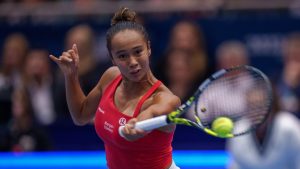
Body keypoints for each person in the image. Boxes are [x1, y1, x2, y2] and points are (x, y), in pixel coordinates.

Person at [50, 7, 181, 169]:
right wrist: (70, 75)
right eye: (122, 56)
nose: (132, 62)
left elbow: (151, 113)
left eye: (138, 51)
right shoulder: (110, 77)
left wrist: (138, 125)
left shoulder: (166, 99)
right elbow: (81, 116)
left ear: (149, 48)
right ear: (112, 58)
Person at [226, 88, 300, 169]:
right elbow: (235, 165)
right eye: (251, 107)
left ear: (271, 107)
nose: (255, 111)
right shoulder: (238, 129)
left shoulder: (289, 126)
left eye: (260, 106)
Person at [276, 32, 300, 118]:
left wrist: (295, 86)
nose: (294, 62)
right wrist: (287, 83)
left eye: (297, 57)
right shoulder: (275, 79)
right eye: (291, 56)